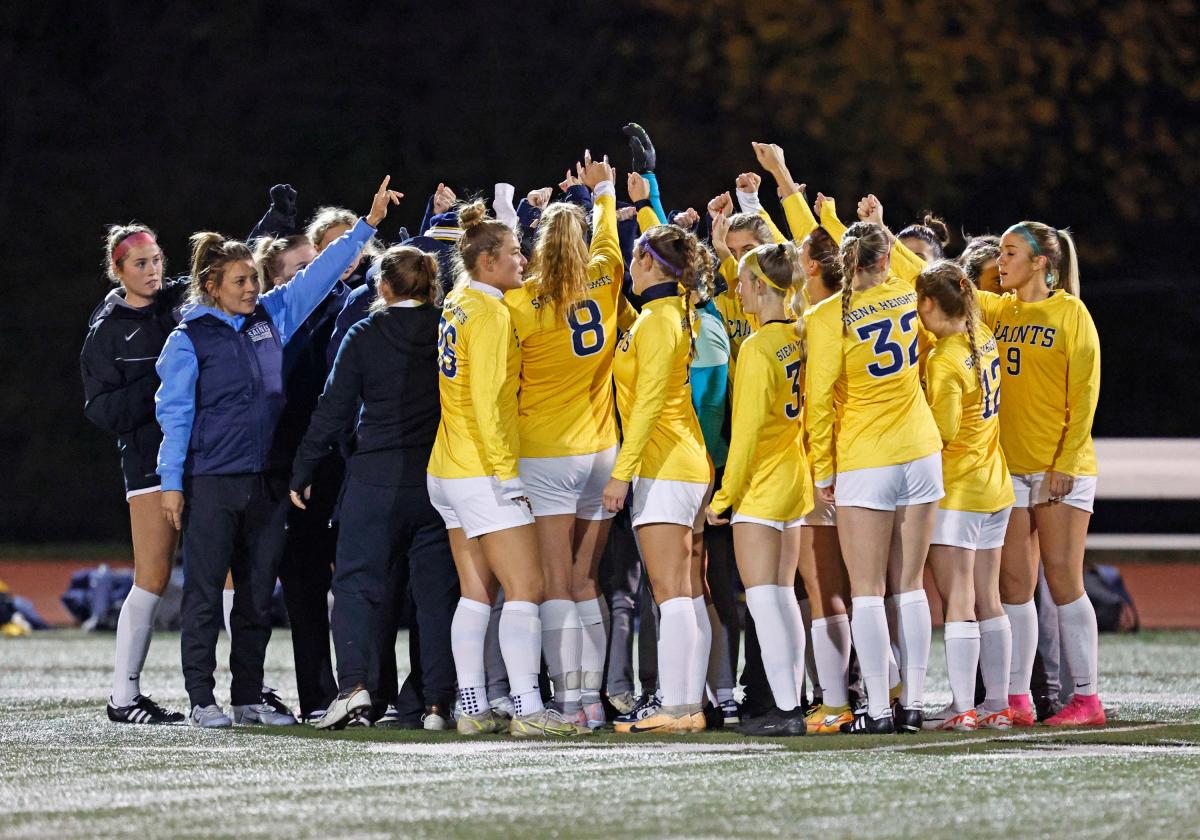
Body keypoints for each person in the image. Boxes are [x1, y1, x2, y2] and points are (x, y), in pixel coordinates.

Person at [155, 175, 399, 728]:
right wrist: (171, 483)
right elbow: (174, 416)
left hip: (266, 481)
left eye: (252, 280)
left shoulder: (271, 316)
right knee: (202, 598)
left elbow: (318, 275)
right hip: (212, 481)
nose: (250, 288)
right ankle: (200, 700)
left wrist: (367, 226)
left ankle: (245, 697)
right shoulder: (187, 338)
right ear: (213, 285)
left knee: (258, 598)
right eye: (241, 281)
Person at [290, 245, 457, 731]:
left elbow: (333, 408)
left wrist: (303, 468)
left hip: (375, 480)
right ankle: (434, 703)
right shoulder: (449, 326)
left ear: (383, 287)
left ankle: (356, 689)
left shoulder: (364, 333)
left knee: (357, 586)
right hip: (438, 478)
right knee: (436, 594)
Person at [428, 200, 576, 738]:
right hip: (480, 469)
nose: (523, 260)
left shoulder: (460, 298)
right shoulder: (489, 313)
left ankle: (471, 705)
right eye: (514, 253)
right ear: (487, 261)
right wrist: (506, 473)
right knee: (527, 586)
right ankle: (529, 707)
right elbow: (490, 402)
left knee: (475, 591)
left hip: (447, 466)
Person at [805, 220, 944, 734]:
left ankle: (879, 711)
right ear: (886, 259)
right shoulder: (909, 293)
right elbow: (925, 272)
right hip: (921, 448)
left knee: (866, 590)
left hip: (866, 455)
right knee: (908, 588)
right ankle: (912, 703)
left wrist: (823, 469)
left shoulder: (826, 317)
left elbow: (818, 402)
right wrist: (883, 227)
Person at [505, 151, 624, 732]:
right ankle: (595, 700)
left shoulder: (519, 304)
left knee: (555, 583)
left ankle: (571, 702)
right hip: (602, 448)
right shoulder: (605, 272)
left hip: (546, 450)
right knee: (585, 579)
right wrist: (601, 189)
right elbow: (608, 232)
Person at [979, 221, 1104, 727]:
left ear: (1041, 264)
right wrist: (875, 230)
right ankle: (1017, 698)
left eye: (1010, 253)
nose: (1000, 261)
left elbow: (1086, 394)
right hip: (1007, 471)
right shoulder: (997, 308)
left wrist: (1066, 463)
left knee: (1064, 581)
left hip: (1058, 471)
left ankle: (1087, 699)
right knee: (1015, 586)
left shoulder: (1071, 313)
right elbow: (925, 275)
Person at [603, 224, 713, 735]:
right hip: (683, 463)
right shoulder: (671, 312)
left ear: (650, 263)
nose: (628, 265)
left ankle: (675, 706)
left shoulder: (657, 319)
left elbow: (646, 404)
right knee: (686, 591)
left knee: (670, 592)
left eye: (633, 256)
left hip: (664, 465)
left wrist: (622, 475)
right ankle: (686, 705)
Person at [81, 224, 188, 725]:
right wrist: (163, 382)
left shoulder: (177, 300)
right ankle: (123, 697)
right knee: (153, 577)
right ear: (118, 271)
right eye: (140, 264)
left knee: (233, 573)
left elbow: (229, 269)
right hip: (149, 464)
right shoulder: (107, 330)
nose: (152, 271)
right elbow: (102, 410)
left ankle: (249, 692)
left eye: (156, 261)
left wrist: (270, 227)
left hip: (203, 459)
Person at [706, 242, 813, 737]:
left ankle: (786, 709)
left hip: (764, 483)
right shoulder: (800, 332)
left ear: (764, 287)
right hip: (794, 475)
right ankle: (793, 701)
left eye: (745, 280)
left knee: (765, 596)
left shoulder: (756, 347)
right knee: (784, 596)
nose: (738, 288)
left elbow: (745, 435)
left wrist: (724, 498)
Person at [915, 260, 1014, 731]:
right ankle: (996, 703)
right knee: (988, 599)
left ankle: (962, 707)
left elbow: (944, 431)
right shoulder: (983, 337)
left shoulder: (944, 357)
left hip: (959, 491)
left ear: (931, 304)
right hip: (996, 484)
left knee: (957, 600)